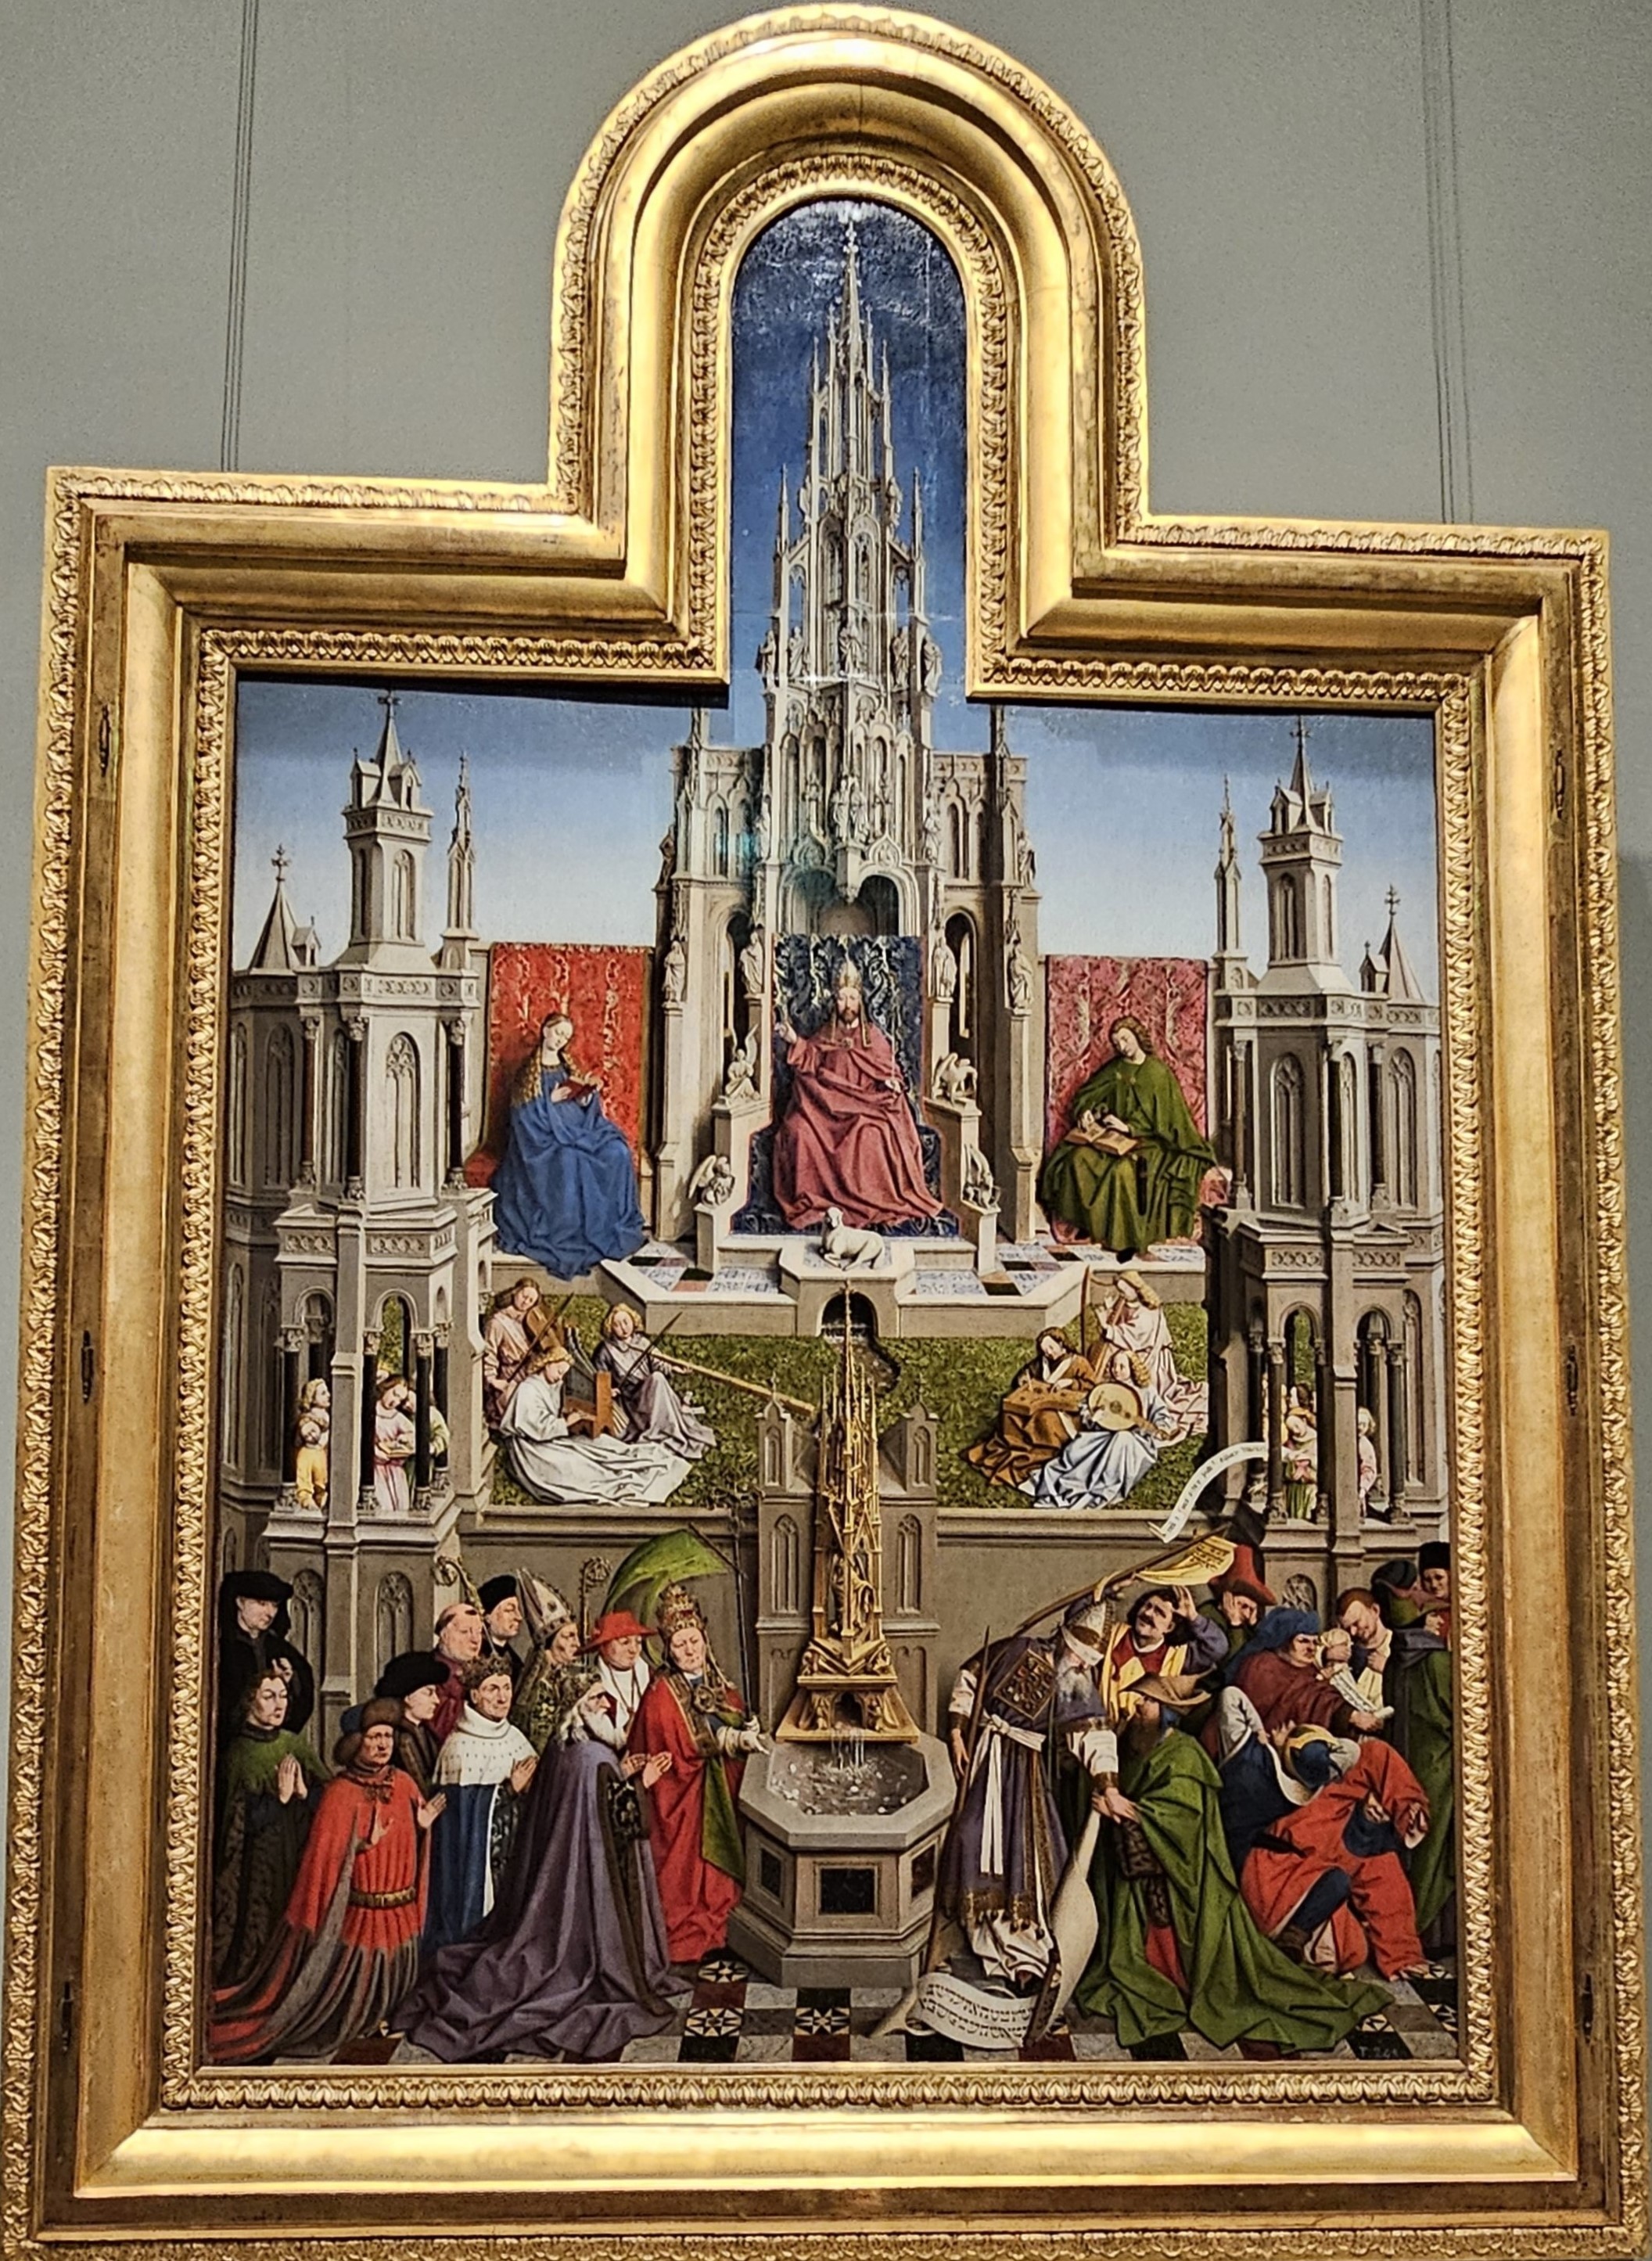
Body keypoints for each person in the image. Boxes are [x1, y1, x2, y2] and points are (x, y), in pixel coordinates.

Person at [1075, 1679, 1388, 2054]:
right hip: (1153, 1863)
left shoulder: (1188, 1757)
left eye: (1148, 1702)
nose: (1138, 1706)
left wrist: (1130, 1812)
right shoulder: (1138, 1741)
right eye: (1140, 1699)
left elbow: (1182, 1818)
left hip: (1190, 1870)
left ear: (1168, 1713)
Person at [395, 1720, 682, 2065]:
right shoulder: (590, 1755)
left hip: (558, 1875)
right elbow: (613, 1821)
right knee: (565, 1969)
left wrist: (620, 1773)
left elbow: (590, 1800)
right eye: (597, 1701)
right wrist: (640, 1784)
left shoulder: (563, 1748)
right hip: (582, 1885)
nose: (607, 1708)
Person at [208, 1698, 444, 2063]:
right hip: (360, 1917)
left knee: (397, 1980)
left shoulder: (404, 1783)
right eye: (374, 1737)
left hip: (400, 1912)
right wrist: (361, 1844)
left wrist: (422, 1828)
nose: (383, 1744)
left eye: (388, 1736)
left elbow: (415, 1837)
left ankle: (384, 2024)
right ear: (356, 1743)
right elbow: (325, 1860)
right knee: (355, 1990)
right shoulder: (340, 1793)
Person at [937, 1604, 1124, 2003]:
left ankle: (1026, 1959)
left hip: (1027, 1770)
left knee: (1030, 1860)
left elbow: (1094, 1734)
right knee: (973, 1842)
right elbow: (969, 1678)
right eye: (1079, 1655)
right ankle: (987, 1950)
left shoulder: (1075, 1682)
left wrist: (1108, 1787)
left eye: (1089, 1661)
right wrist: (956, 1733)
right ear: (1065, 1641)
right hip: (987, 1760)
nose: (1082, 1665)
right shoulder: (1018, 1649)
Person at [627, 1586, 762, 1965]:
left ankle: (726, 1918)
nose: (690, 1650)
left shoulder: (719, 1683)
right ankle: (689, 1932)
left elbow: (729, 1711)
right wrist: (731, 1739)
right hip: (681, 1796)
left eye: (694, 1641)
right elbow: (677, 1744)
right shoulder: (660, 1694)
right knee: (684, 1874)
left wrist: (746, 1724)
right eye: (680, 1644)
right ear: (668, 1651)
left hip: (720, 1792)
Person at [770, 954, 943, 1231]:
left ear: (860, 1000)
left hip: (865, 1107)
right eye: (842, 998)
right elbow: (811, 1058)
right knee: (797, 1130)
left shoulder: (873, 1036)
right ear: (835, 1001)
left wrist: (891, 1083)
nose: (847, 1004)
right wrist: (793, 1039)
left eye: (852, 998)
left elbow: (890, 1073)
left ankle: (867, 1201)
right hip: (826, 1110)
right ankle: (815, 1201)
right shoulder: (826, 1034)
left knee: (870, 1135)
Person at [1241, 1738, 1431, 1979]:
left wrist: (1405, 1960)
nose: (1378, 1809)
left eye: (1387, 1812)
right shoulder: (1334, 1799)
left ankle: (1293, 1945)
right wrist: (1407, 1803)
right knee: (1337, 1881)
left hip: (1309, 1901)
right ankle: (1292, 1938)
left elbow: (1392, 1908)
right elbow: (1376, 1756)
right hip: (1271, 1876)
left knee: (1354, 1950)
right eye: (1377, 1797)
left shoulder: (1377, 1853)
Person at [1037, 1015, 1214, 1257]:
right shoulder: (1117, 1068)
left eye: (1125, 1039)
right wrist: (1085, 1112)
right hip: (1113, 1140)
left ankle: (1124, 1240)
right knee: (1078, 1159)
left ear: (1138, 1037)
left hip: (1151, 1144)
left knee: (1121, 1173)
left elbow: (1168, 1121)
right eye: (1117, 1042)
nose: (1121, 1046)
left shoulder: (1157, 1072)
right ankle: (1094, 1227)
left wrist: (1130, 1127)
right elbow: (1088, 1094)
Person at [490, 1012, 647, 1280]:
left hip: (578, 1129)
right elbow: (522, 1118)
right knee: (569, 1160)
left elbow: (581, 1104)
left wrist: (586, 1097)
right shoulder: (527, 1073)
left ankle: (609, 1224)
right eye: (558, 1033)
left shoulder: (567, 1067)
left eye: (566, 1037)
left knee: (617, 1152)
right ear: (545, 1030)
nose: (561, 1040)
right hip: (543, 1142)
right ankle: (572, 1233)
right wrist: (549, 1101)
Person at [212, 1669, 329, 1986]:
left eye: (283, 1696)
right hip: (256, 1867)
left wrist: (304, 1794)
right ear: (250, 1702)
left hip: (296, 1853)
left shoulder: (293, 1744)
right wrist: (279, 1799)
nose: (279, 1704)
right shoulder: (239, 1755)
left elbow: (329, 1798)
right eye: (269, 1696)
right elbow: (237, 1825)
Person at [424, 1660, 538, 1956]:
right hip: (476, 1869)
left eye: (506, 1688)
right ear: (474, 1695)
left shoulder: (516, 1738)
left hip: (516, 1858)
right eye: (492, 1689)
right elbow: (461, 1825)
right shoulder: (459, 1748)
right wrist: (509, 1790)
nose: (502, 1697)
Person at [497, 1338, 691, 1507]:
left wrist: (571, 1418)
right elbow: (536, 1426)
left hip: (549, 1439)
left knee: (604, 1445)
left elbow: (552, 1414)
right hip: (531, 1448)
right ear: (547, 1363)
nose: (560, 1377)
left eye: (563, 1374)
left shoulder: (552, 1384)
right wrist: (566, 1423)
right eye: (559, 1371)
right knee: (576, 1466)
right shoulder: (528, 1389)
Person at [1383, 1540, 1454, 1945]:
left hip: (1420, 1757)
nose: (1433, 1586)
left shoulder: (1415, 1645)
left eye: (1438, 1578)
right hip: (1436, 1761)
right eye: (1427, 1580)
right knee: (1432, 1847)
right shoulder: (1432, 1653)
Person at [1212, 1685, 1355, 1877]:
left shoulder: (1247, 1753)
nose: (1289, 1724)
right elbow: (1352, 1752)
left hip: (1209, 1830)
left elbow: (1231, 1696)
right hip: (1234, 1859)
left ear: (1288, 1750)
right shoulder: (1289, 1800)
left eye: (1292, 1732)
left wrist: (1258, 1731)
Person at [1026, 1353, 1177, 1510]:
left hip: (1135, 1441)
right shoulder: (1105, 1389)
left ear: (1133, 1368)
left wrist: (1161, 1427)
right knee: (1078, 1448)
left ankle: (1100, 1490)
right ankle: (1066, 1488)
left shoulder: (1146, 1390)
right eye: (1114, 1366)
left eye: (1122, 1367)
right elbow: (1086, 1410)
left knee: (1122, 1439)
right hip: (1105, 1435)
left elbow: (1161, 1415)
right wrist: (1093, 1417)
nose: (1116, 1370)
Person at [1222, 1608, 1384, 1742]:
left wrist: (1352, 1716)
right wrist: (1351, 1717)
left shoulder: (1307, 1668)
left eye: (1315, 1642)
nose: (1311, 1648)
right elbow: (1306, 1700)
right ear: (1284, 1641)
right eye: (1303, 1641)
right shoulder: (1262, 1666)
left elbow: (1323, 1696)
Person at [964, 1328, 1096, 1489]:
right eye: (1045, 1350)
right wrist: (1023, 1379)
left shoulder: (1078, 1362)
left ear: (1061, 1343)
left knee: (1045, 1419)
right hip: (1039, 1402)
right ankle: (1014, 1449)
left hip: (1068, 1412)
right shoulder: (1043, 1362)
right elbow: (1025, 1374)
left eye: (1051, 1347)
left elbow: (1093, 1387)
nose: (1048, 1353)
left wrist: (1071, 1383)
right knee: (1011, 1414)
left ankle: (1038, 1455)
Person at [1094, 1273, 1207, 1441]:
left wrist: (1106, 1327)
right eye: (1120, 1290)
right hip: (1133, 1349)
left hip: (1149, 1357)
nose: (1122, 1294)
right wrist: (1110, 1310)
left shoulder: (1147, 1310)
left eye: (1125, 1290)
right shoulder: (1126, 1304)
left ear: (1136, 1288)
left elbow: (1135, 1335)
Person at [594, 1305, 716, 1461]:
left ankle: (668, 1429)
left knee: (657, 1378)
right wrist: (608, 1390)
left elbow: (659, 1362)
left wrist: (674, 1368)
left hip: (649, 1394)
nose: (623, 1328)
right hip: (630, 1402)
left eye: (626, 1322)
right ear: (610, 1328)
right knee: (656, 1380)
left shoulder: (642, 1343)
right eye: (617, 1325)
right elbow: (598, 1376)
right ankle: (659, 1430)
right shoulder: (606, 1350)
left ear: (633, 1321)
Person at [216, 1569, 316, 1752]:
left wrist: (287, 1682)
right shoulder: (223, 1648)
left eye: (274, 1605)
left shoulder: (280, 1649)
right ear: (240, 1602)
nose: (270, 1613)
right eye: (262, 1604)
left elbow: (304, 1697)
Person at [1095, 1586, 1228, 1724]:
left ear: (1169, 1627)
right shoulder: (1114, 1634)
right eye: (1148, 1606)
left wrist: (1193, 1617)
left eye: (1159, 1612)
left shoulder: (1176, 1657)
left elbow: (1218, 1647)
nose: (1148, 1613)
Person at [375, 1650, 452, 1799]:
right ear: (408, 1698)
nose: (436, 1700)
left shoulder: (426, 1733)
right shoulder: (398, 1739)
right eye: (428, 1693)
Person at [583, 1609, 654, 1745]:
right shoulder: (593, 1687)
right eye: (625, 1643)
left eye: (638, 1642)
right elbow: (604, 1735)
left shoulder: (651, 1675)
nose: (633, 1650)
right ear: (603, 1647)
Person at [483, 1279, 543, 1431]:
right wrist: (492, 1379)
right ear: (515, 1292)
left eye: (531, 1301)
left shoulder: (530, 1322)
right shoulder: (498, 1322)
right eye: (524, 1296)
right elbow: (490, 1353)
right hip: (510, 1375)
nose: (526, 1302)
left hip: (529, 1373)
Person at [429, 1601, 486, 1745]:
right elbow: (440, 1726)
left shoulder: (479, 1669)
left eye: (479, 1632)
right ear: (445, 1636)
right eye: (465, 1632)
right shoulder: (430, 1673)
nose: (475, 1640)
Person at [372, 1375, 416, 1517]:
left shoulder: (397, 1417)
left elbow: (412, 1435)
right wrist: (375, 1451)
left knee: (400, 1505)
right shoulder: (371, 1411)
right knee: (383, 1504)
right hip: (376, 1469)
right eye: (394, 1394)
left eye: (400, 1400)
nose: (395, 1401)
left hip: (395, 1470)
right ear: (386, 1388)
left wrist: (405, 1439)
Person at [478, 1574, 526, 1684]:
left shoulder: (516, 1661)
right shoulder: (478, 1656)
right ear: (488, 1618)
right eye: (509, 1610)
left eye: (518, 1610)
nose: (519, 1617)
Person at [293, 1378, 330, 1512]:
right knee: (304, 1479)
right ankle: (306, 1500)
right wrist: (311, 1431)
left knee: (321, 1480)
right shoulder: (308, 1418)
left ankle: (321, 1498)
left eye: (327, 1392)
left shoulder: (326, 1416)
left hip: (321, 1453)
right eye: (323, 1393)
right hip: (308, 1453)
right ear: (312, 1399)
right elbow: (307, 1432)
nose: (328, 1395)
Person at [1283, 1385, 1319, 1520]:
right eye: (1292, 1429)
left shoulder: (1314, 1439)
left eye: (1297, 1426)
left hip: (1310, 1488)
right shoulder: (1290, 1441)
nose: (1296, 1431)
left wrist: (1308, 1461)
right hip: (1295, 1489)